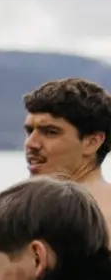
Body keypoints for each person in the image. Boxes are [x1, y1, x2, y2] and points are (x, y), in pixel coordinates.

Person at [22, 77, 111, 233]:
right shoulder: (24, 209)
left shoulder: (98, 217)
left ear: (92, 142)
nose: (31, 143)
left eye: (50, 132)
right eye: (29, 131)